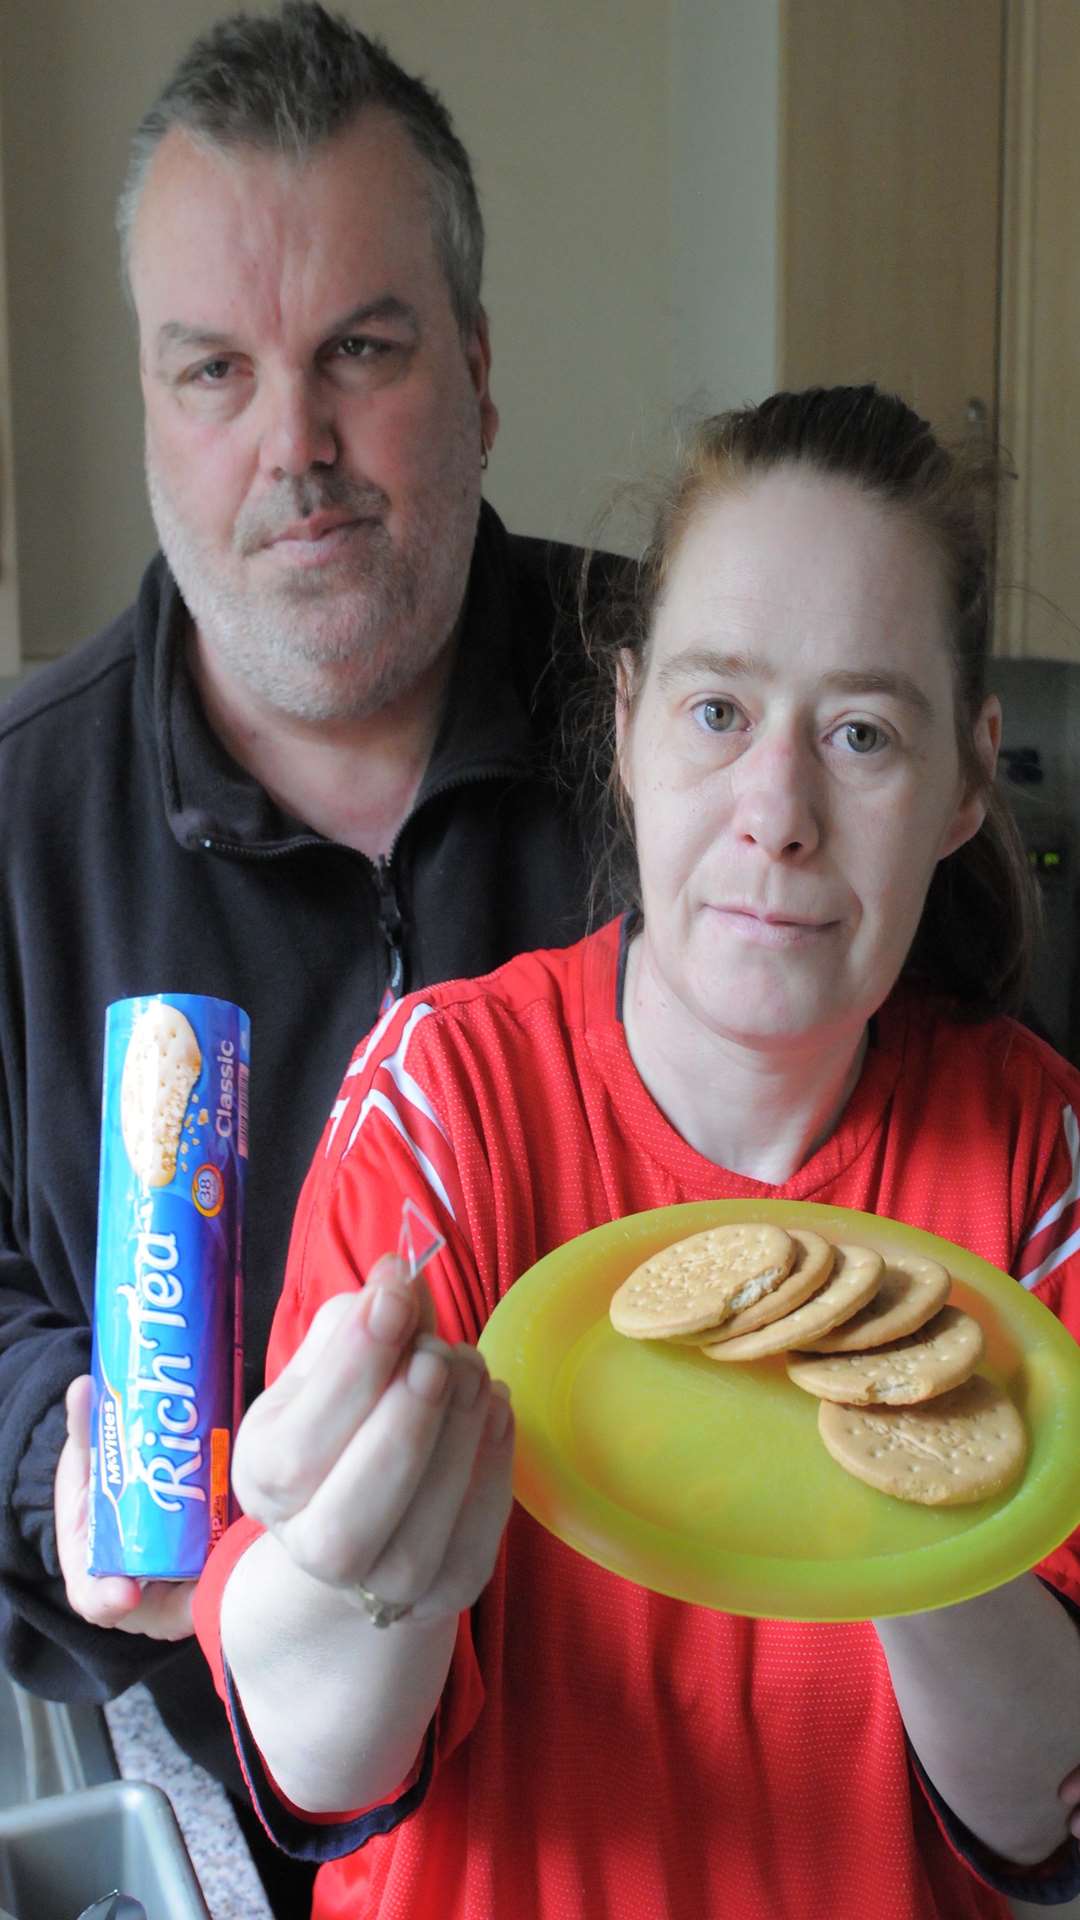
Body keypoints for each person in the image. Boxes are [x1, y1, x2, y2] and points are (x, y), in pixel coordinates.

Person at [193, 386, 1080, 1920]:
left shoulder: (1032, 1158)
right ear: (623, 727)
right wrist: (340, 1578)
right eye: (719, 710)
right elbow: (320, 1768)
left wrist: (931, 1485)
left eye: (862, 733)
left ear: (962, 784)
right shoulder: (444, 1101)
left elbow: (1044, 1813)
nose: (776, 814)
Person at [0, 4, 610, 1909]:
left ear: (482, 369)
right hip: (202, 1743)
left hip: (666, 1678)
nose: (297, 448)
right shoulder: (16, 823)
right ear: (154, 401)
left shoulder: (687, 729)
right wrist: (60, 1461)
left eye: (362, 349)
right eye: (213, 372)